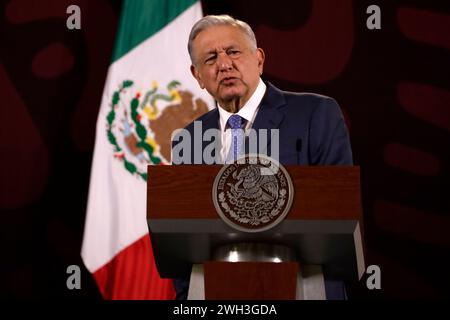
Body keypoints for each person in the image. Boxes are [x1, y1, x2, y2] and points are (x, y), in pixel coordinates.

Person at [172, 15, 353, 300]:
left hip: (303, 287)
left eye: (233, 51)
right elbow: (178, 237)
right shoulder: (189, 139)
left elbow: (340, 215)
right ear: (198, 76)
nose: (224, 64)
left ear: (259, 59)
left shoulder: (315, 114)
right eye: (210, 59)